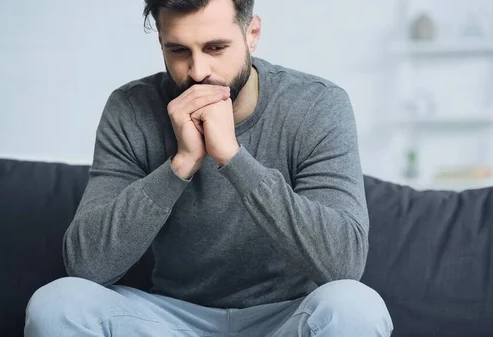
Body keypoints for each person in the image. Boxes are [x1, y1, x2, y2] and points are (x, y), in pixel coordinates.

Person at [24, 0, 393, 335]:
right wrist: (180, 164)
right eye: (179, 50)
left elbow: (344, 264)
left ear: (252, 34)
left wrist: (232, 158)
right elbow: (87, 265)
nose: (198, 71)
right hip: (171, 320)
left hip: (285, 320)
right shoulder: (130, 108)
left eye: (216, 48)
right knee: (57, 305)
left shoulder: (317, 105)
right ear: (162, 45)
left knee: (357, 308)